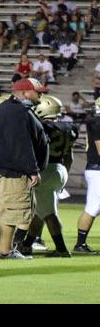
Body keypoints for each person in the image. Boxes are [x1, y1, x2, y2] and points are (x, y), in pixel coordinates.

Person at [0, 78, 49, 259]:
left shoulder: (15, 109)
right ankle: (5, 251)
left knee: (24, 207)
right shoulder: (16, 111)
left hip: (10, 167)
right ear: (24, 93)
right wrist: (32, 169)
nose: (41, 93)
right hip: (10, 168)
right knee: (16, 209)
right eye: (37, 90)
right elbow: (20, 144)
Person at [18, 95, 75, 257]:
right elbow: (69, 157)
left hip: (45, 169)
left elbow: (32, 152)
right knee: (40, 210)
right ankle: (27, 244)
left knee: (49, 213)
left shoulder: (40, 126)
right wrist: (63, 177)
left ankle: (61, 249)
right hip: (60, 169)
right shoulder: (68, 127)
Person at [74, 97, 100, 254]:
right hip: (98, 170)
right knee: (93, 207)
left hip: (95, 169)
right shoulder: (98, 123)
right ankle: (80, 244)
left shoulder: (94, 121)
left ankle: (80, 244)